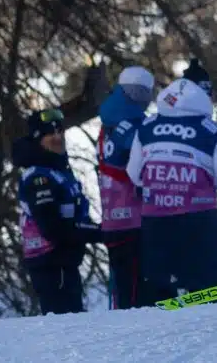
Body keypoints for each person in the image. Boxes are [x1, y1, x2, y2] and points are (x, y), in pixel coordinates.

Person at [126, 69, 217, 304]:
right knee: (206, 293)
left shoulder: (146, 128)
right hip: (199, 224)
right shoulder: (211, 132)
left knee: (159, 296)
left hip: (155, 223)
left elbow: (134, 174)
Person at [14, 108, 106, 315]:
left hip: (65, 261)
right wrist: (100, 232)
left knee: (73, 320)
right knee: (65, 324)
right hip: (50, 262)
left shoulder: (58, 170)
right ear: (38, 140)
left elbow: (75, 215)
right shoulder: (39, 177)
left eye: (60, 132)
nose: (57, 138)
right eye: (49, 134)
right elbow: (54, 229)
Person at [96, 66, 154, 309]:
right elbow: (147, 162)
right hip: (134, 218)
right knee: (138, 295)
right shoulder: (134, 125)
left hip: (112, 218)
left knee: (122, 290)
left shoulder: (108, 122)